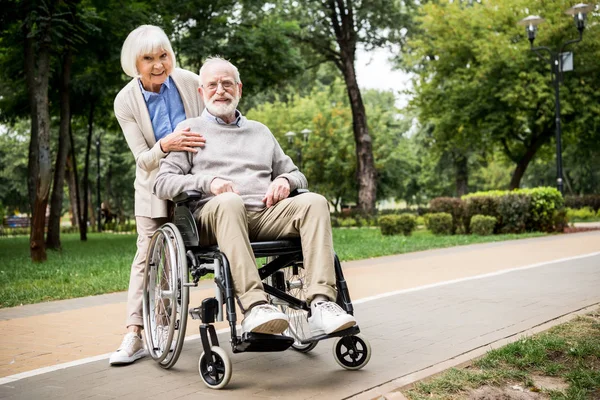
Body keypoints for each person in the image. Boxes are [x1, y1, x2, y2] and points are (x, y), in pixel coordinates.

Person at [153, 57, 356, 336]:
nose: (220, 90)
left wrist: (285, 180)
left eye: (227, 83)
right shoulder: (189, 130)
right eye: (212, 85)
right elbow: (162, 182)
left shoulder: (260, 131)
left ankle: (321, 303)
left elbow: (298, 175)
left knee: (314, 202)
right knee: (229, 202)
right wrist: (209, 182)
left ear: (239, 89)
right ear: (201, 92)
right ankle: (255, 306)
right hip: (214, 218)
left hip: (263, 214)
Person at [110, 25, 205, 365]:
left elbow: (220, 118)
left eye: (163, 55)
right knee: (148, 255)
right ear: (134, 63)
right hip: (153, 186)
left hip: (195, 180)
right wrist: (166, 144)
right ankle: (135, 333)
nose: (158, 64)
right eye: (148, 58)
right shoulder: (126, 101)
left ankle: (254, 312)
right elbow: (142, 158)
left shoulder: (192, 82)